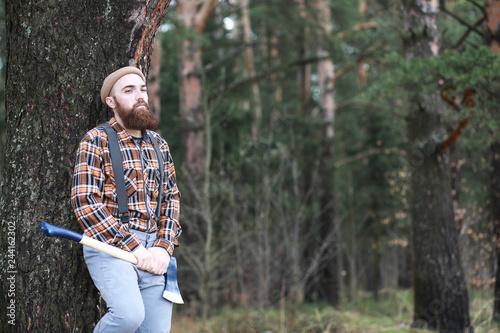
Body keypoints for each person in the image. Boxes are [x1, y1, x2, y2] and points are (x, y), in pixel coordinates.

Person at [71, 66, 182, 333]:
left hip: (154, 251)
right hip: (111, 247)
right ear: (111, 101)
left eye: (142, 89)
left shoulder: (160, 144)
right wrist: (132, 246)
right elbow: (85, 200)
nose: (140, 96)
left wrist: (163, 247)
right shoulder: (96, 140)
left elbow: (171, 199)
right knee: (128, 317)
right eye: (129, 90)